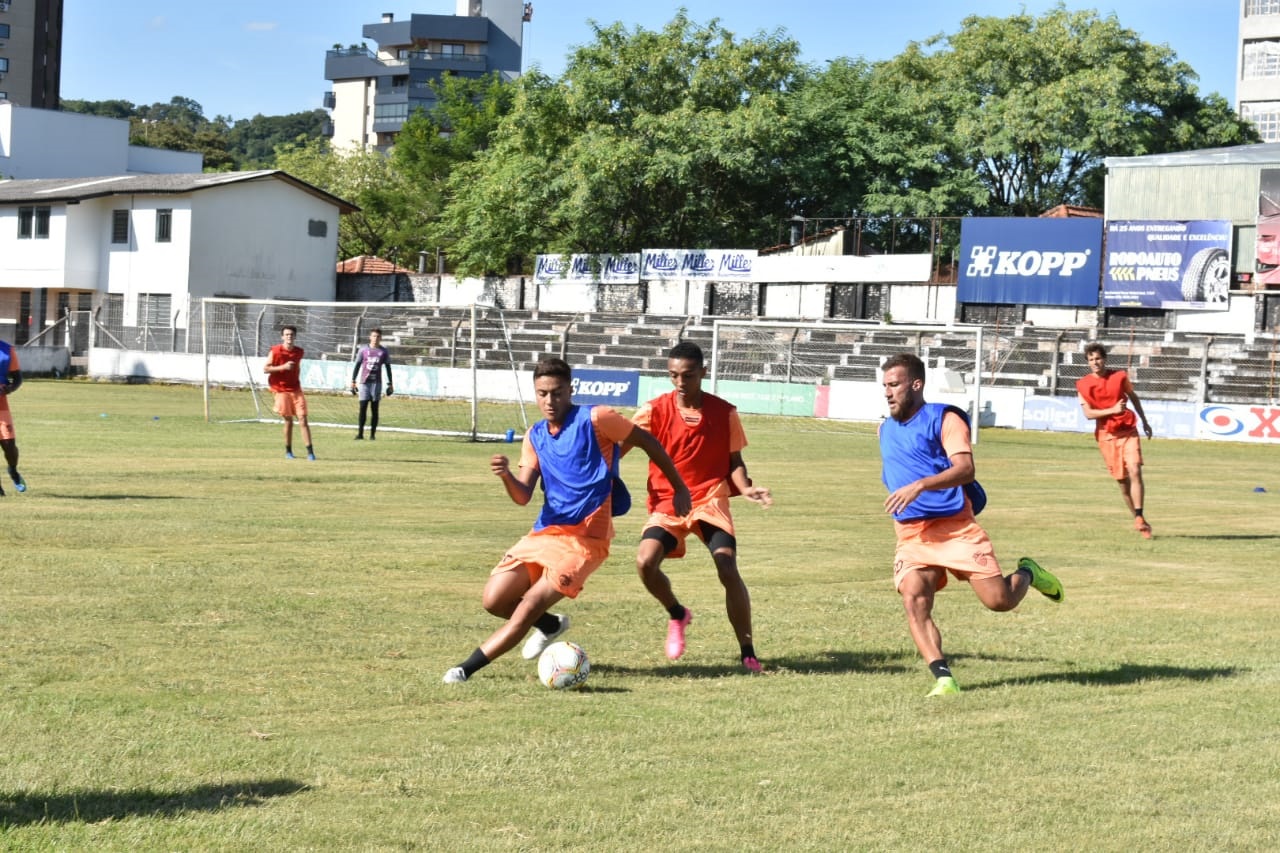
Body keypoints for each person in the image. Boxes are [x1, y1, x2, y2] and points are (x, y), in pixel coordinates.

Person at [443, 357, 692, 684]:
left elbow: (648, 441)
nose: (550, 401)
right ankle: (550, 625)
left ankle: (464, 670)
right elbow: (523, 495)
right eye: (542, 394)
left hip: (585, 542)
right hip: (544, 534)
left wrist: (679, 487)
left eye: (557, 393)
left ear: (570, 390)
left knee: (528, 606)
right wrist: (506, 476)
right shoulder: (535, 435)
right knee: (495, 600)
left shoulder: (597, 418)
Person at [879, 353, 1063, 697]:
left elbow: (965, 470)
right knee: (914, 598)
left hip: (955, 527)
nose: (888, 392)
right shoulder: (884, 429)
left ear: (916, 384)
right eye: (885, 386)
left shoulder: (945, 419)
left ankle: (1029, 573)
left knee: (999, 601)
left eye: (894, 385)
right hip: (912, 533)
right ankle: (944, 679)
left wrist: (920, 486)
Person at [629, 341, 772, 673]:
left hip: (709, 499)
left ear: (703, 373)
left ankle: (748, 652)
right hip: (668, 501)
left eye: (688, 375)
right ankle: (678, 614)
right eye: (673, 375)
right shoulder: (652, 411)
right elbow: (617, 448)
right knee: (645, 563)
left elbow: (735, 462)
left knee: (727, 567)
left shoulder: (725, 413)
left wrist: (745, 488)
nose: (680, 382)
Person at [1075, 342, 1154, 538]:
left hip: (1128, 430)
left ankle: (1139, 515)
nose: (1095, 362)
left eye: (1098, 358)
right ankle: (1139, 520)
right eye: (1091, 359)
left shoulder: (1119, 377)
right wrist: (1112, 410)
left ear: (1104, 359)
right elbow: (1088, 414)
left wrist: (1144, 421)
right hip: (1107, 436)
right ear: (1088, 362)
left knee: (1135, 469)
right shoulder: (1083, 385)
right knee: (1122, 482)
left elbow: (1133, 396)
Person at [263, 325, 315, 460]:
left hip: (296, 389)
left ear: (295, 336)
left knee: (303, 419)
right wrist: (283, 367)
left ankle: (310, 453)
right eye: (286, 334)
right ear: (282, 337)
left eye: (291, 334)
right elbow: (266, 369)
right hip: (281, 390)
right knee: (288, 421)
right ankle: (288, 451)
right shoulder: (275, 351)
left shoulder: (299, 352)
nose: (289, 336)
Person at [350, 328, 394, 440]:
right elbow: (357, 365)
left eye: (378, 336)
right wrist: (353, 381)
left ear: (381, 338)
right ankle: (360, 434)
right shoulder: (363, 350)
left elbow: (388, 367)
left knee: (375, 409)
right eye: (374, 336)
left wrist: (390, 383)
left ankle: (372, 435)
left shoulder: (383, 351)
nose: (376, 338)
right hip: (364, 383)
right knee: (363, 408)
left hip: (376, 384)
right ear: (370, 337)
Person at [0, 339, 28, 496]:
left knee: (9, 446)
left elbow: (17, 378)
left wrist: (9, 389)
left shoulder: (6, 350)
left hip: (1, 407)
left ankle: (13, 470)